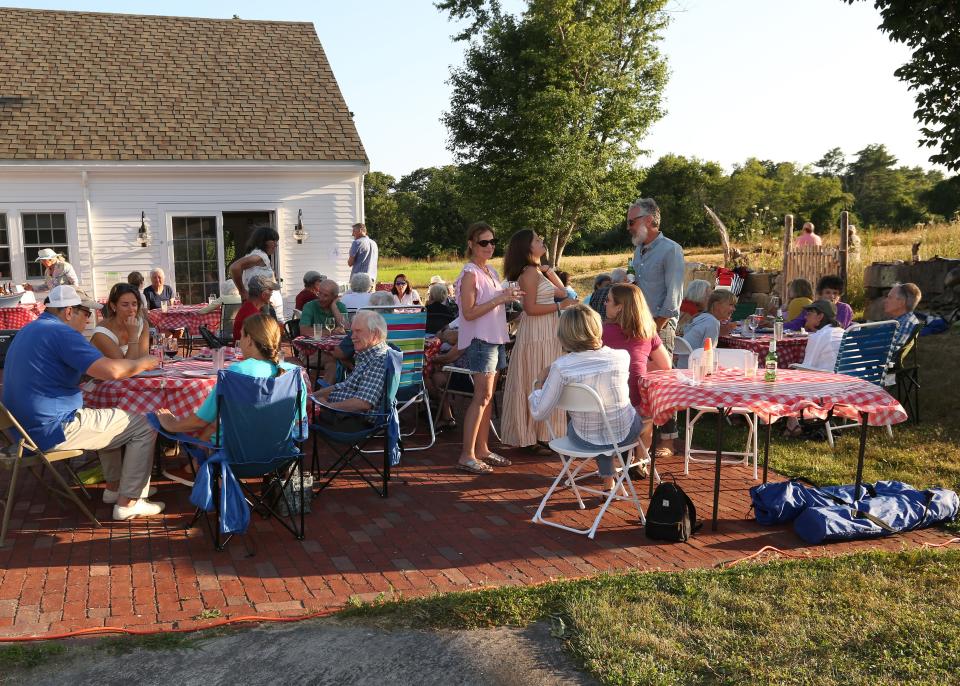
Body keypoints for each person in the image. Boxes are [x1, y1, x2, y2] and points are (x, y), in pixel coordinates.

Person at [2, 285, 162, 520]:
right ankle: (129, 502)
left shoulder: (30, 329)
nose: (89, 320)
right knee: (147, 422)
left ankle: (115, 487)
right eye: (86, 314)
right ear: (69, 312)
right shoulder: (62, 333)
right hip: (50, 430)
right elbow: (112, 371)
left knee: (104, 412)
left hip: (19, 433)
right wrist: (145, 362)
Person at [155, 314, 305, 484]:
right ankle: (199, 469)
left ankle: (200, 472)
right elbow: (299, 422)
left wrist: (171, 424)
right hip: (279, 458)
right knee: (216, 426)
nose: (239, 341)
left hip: (234, 459)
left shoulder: (234, 373)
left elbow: (199, 421)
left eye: (241, 336)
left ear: (249, 340)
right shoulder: (294, 374)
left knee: (211, 428)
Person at [529, 304, 643, 492]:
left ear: (565, 334)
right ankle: (623, 468)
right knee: (621, 418)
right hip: (625, 435)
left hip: (584, 440)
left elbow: (539, 413)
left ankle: (609, 478)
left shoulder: (561, 368)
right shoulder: (622, 357)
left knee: (591, 423)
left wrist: (539, 386)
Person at [501, 229, 575, 451]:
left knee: (543, 379)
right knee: (537, 379)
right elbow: (531, 308)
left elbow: (565, 293)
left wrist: (550, 271)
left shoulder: (537, 272)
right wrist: (559, 307)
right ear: (527, 248)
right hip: (537, 333)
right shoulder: (530, 273)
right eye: (537, 240)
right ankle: (534, 435)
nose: (541, 241)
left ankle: (542, 434)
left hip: (546, 333)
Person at [454, 222, 519, 474]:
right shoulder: (470, 273)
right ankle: (466, 454)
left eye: (493, 242)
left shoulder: (490, 270)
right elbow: (468, 313)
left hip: (495, 338)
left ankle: (482, 449)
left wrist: (508, 297)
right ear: (471, 244)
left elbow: (494, 303)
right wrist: (500, 298)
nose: (490, 246)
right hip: (480, 340)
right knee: (481, 396)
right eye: (484, 242)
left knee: (489, 397)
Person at [628, 197, 684, 454]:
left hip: (661, 326)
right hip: (638, 327)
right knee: (642, 382)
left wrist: (656, 327)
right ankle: (641, 438)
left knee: (663, 382)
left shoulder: (671, 249)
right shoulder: (638, 249)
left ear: (649, 220)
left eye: (632, 221)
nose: (628, 226)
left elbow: (673, 296)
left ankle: (668, 441)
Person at [602, 284, 672, 427]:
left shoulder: (599, 332)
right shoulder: (647, 332)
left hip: (605, 405)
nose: (605, 303)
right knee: (646, 426)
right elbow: (665, 365)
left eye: (608, 300)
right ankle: (642, 449)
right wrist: (637, 364)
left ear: (619, 307)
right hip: (638, 404)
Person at [313, 310, 391, 433]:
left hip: (355, 420)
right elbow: (344, 386)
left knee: (301, 422)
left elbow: (363, 403)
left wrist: (327, 406)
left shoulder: (379, 359)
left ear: (375, 334)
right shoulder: (367, 355)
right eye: (352, 331)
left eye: (358, 331)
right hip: (344, 413)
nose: (352, 337)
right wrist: (313, 397)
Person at [229, 226, 283, 319]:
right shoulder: (260, 256)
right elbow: (234, 267)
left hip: (259, 302)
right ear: (263, 241)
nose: (276, 244)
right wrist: (242, 291)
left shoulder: (257, 255)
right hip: (258, 304)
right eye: (273, 241)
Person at [91, 283, 150, 359]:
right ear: (113, 306)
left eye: (134, 304)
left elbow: (143, 360)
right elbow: (127, 367)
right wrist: (133, 336)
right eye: (125, 305)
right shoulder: (102, 333)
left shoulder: (143, 324)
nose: (131, 309)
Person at [681, 289, 738, 357]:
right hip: (693, 365)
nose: (734, 309)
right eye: (731, 305)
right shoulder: (712, 322)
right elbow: (707, 354)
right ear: (717, 305)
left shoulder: (702, 317)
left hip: (683, 364)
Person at [784, 275, 852, 330]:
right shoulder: (813, 307)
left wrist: (812, 328)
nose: (832, 296)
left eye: (835, 293)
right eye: (828, 292)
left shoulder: (844, 308)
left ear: (839, 295)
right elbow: (797, 323)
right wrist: (779, 326)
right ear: (820, 294)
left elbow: (839, 329)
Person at [233, 274, 279, 341]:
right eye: (270, 290)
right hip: (246, 350)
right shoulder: (252, 314)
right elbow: (259, 342)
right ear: (263, 294)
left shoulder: (249, 307)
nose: (272, 293)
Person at [883, 282, 922, 354]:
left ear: (901, 303)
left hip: (873, 361)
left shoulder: (905, 323)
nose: (885, 301)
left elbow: (890, 349)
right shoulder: (897, 320)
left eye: (890, 297)